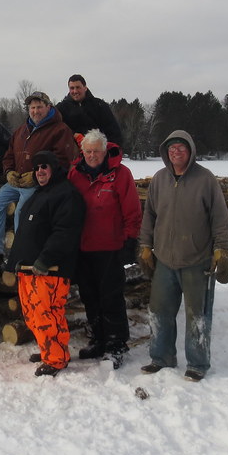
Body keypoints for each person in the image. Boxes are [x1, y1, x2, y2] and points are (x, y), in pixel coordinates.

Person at [138, 130, 228, 381]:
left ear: (190, 151)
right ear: (165, 152)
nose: (176, 152)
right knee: (159, 311)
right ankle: (161, 358)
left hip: (197, 261)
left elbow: (220, 220)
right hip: (165, 261)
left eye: (181, 148)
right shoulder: (159, 179)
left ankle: (197, 364)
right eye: (171, 149)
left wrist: (222, 251)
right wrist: (145, 246)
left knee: (197, 315)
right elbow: (149, 216)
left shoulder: (205, 180)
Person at [0, 91, 78, 274]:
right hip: (16, 181)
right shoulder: (21, 130)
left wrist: (35, 176)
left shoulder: (60, 129)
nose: (35, 111)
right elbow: (9, 155)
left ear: (48, 107)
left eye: (39, 107)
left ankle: (20, 254)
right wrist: (9, 172)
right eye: (32, 107)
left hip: (38, 184)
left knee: (22, 211)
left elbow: (62, 159)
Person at [67, 129, 142, 368]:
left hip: (111, 246)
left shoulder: (120, 174)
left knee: (111, 297)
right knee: (90, 296)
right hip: (84, 246)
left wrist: (130, 241)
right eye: (87, 151)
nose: (91, 156)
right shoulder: (75, 174)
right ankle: (98, 338)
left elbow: (132, 211)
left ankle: (116, 344)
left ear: (104, 151)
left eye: (96, 152)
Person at [6, 150, 85, 377]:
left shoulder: (66, 195)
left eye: (45, 167)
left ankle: (56, 359)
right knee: (33, 315)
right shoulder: (40, 194)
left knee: (47, 315)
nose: (40, 171)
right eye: (37, 168)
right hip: (28, 269)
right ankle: (49, 349)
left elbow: (65, 233)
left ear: (54, 169)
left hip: (49, 270)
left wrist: (46, 259)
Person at [55, 74, 124, 149]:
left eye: (78, 87)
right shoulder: (61, 108)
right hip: (71, 152)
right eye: (72, 88)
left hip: (96, 152)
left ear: (85, 88)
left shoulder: (100, 106)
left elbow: (114, 132)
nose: (75, 91)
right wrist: (74, 135)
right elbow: (56, 128)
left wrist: (112, 151)